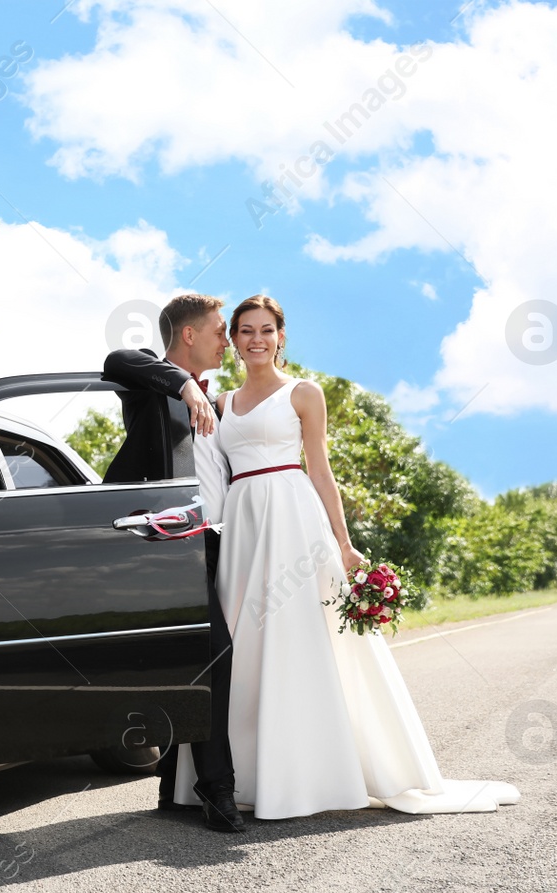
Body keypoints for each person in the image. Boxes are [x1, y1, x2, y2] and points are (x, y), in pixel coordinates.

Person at [214, 294, 519, 819]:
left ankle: (310, 775)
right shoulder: (219, 401)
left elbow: (321, 470)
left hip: (291, 517)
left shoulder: (303, 393)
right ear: (234, 339)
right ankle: (247, 774)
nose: (256, 339)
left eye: (266, 330)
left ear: (281, 337)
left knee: (302, 638)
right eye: (245, 330)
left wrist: (344, 541)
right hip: (242, 521)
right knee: (245, 645)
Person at [101, 294, 244, 832]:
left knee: (215, 659)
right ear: (188, 335)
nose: (225, 341)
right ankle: (215, 787)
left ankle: (174, 782)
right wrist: (182, 385)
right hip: (174, 546)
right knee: (215, 656)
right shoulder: (151, 386)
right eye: (218, 331)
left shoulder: (222, 402)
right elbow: (119, 360)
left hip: (229, 545)